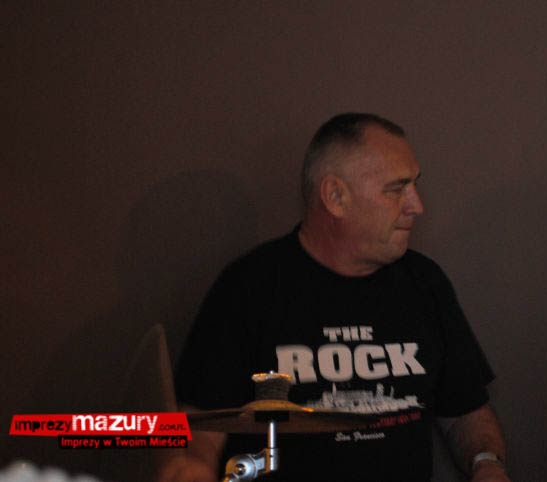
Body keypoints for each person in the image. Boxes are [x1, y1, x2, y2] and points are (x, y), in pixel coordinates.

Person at [160, 113, 510, 482]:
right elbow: (202, 417)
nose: (416, 205)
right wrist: (195, 464)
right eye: (396, 189)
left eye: (414, 185)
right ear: (336, 197)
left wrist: (487, 463)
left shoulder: (424, 283)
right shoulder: (249, 286)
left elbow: (465, 411)